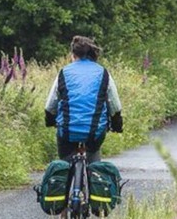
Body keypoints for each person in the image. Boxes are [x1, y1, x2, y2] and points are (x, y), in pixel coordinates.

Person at [44, 35, 123, 165]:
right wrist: (117, 125)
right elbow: (115, 105)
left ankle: (65, 177)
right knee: (93, 154)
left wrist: (50, 120)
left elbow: (50, 105)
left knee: (64, 162)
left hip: (67, 131)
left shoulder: (64, 72)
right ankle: (93, 174)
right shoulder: (103, 73)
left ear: (73, 54)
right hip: (95, 132)